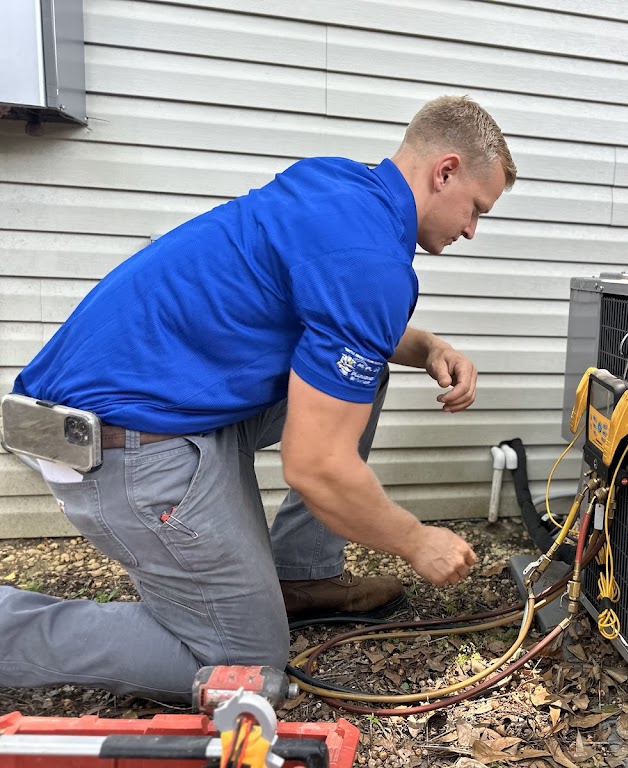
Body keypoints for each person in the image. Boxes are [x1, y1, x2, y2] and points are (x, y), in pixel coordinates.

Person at [0, 95, 517, 703]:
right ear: (445, 171)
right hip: (120, 445)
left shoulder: (337, 186)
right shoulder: (370, 261)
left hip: (147, 408)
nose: (471, 229)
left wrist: (427, 346)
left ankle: (302, 576)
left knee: (363, 373)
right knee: (245, 667)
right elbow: (316, 466)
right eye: (476, 209)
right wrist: (415, 540)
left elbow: (338, 317)